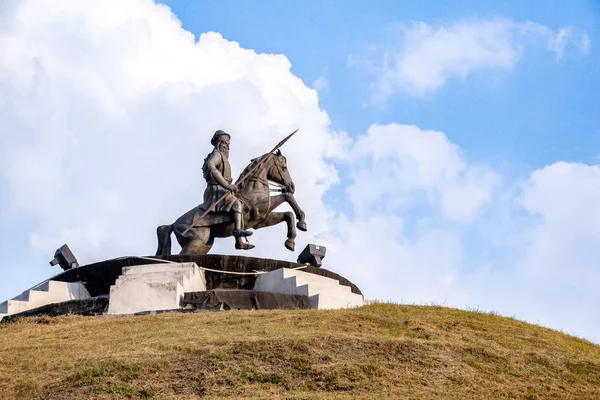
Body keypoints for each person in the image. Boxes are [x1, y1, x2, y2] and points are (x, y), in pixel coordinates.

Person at [201, 130, 254, 250]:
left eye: (228, 144)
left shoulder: (223, 157)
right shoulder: (217, 155)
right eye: (225, 143)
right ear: (219, 143)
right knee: (236, 203)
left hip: (222, 189)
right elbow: (210, 165)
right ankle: (237, 231)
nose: (227, 146)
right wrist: (227, 185)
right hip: (216, 190)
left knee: (239, 201)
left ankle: (239, 243)